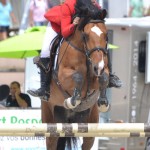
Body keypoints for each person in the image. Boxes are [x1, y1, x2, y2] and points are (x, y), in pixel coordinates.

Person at [27, 0, 122, 100]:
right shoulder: (68, 6)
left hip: (80, 30)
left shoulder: (94, 6)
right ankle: (44, 88)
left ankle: (110, 76)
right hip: (58, 26)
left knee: (101, 45)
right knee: (46, 51)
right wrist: (73, 24)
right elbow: (64, 32)